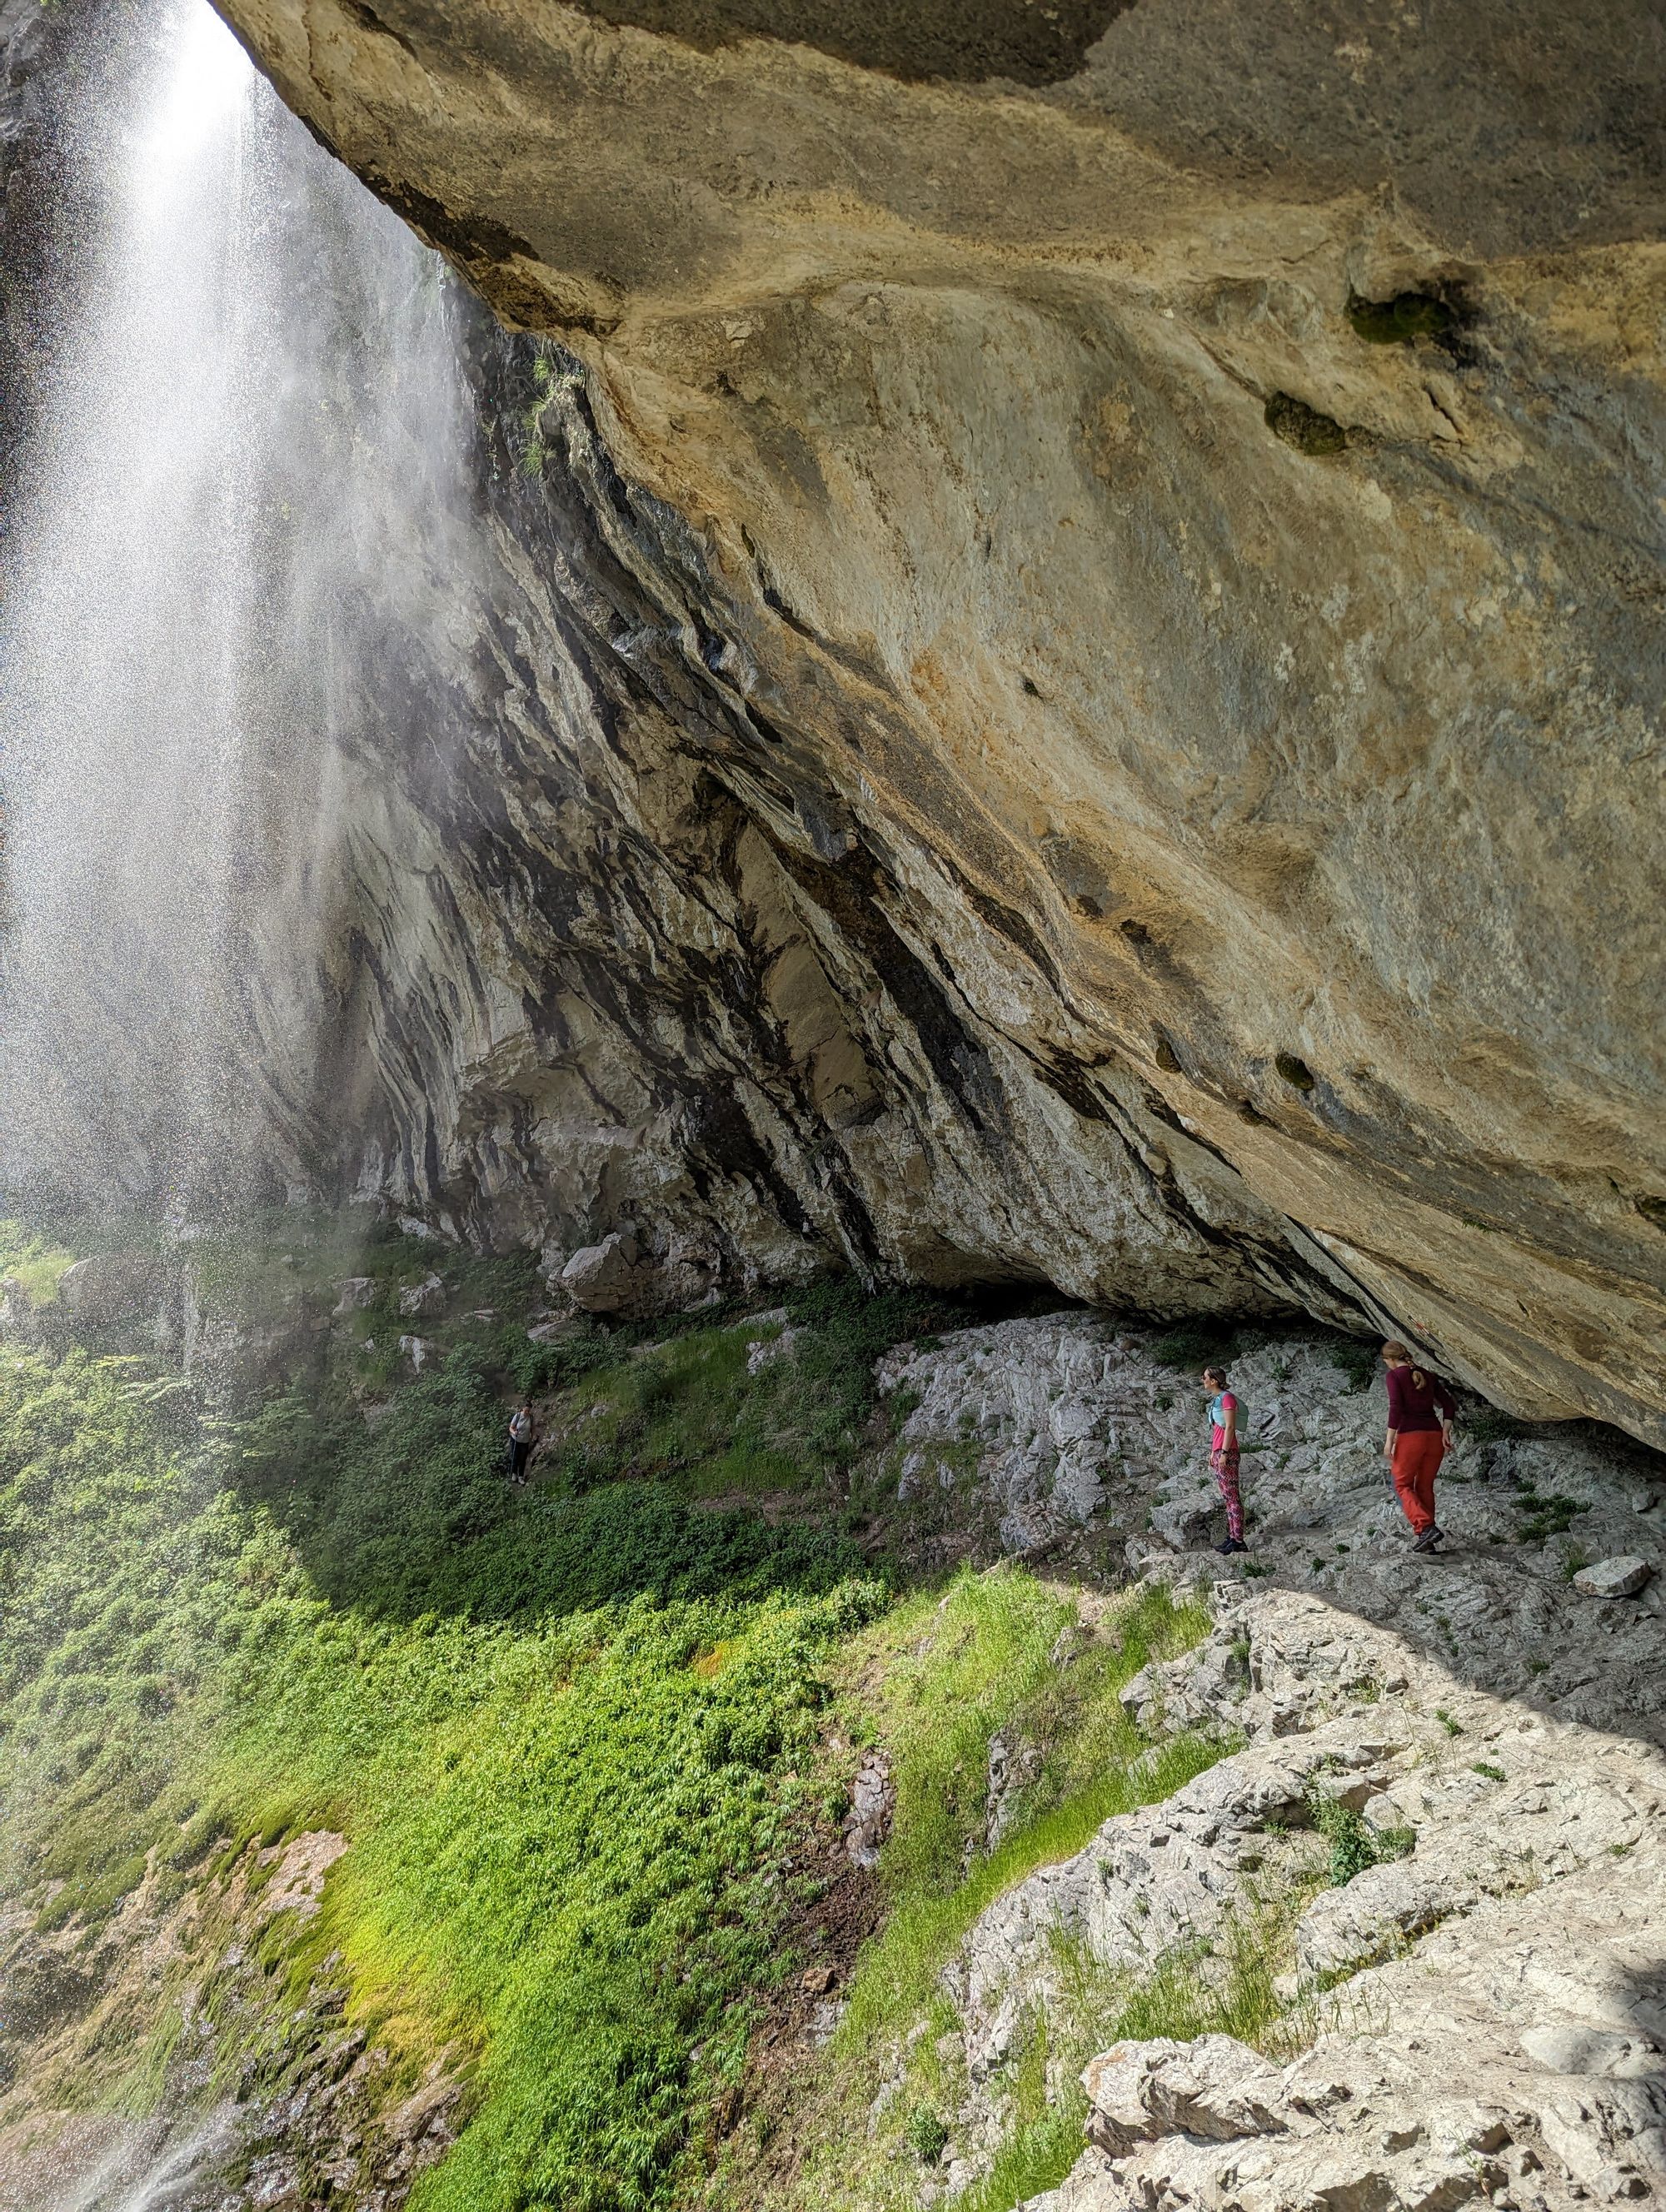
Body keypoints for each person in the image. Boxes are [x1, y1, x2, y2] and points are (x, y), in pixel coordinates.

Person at [1381, 1342, 1458, 1552]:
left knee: (1401, 1484)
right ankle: (1427, 1543)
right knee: (1424, 1486)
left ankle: (1425, 1527)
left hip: (1410, 1437)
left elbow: (1396, 1406)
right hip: (1434, 1437)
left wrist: (1389, 1440)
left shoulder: (1394, 1376)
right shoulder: (1426, 1374)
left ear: (1389, 1359)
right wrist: (1445, 1431)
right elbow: (1449, 1404)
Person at [1203, 1364, 1246, 1554]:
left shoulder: (1227, 1398)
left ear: (1213, 1381)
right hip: (1220, 1452)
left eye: (1205, 1377)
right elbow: (1218, 1430)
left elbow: (1230, 1427)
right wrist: (1214, 1452)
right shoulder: (1218, 1400)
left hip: (1227, 1453)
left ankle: (1238, 1540)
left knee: (1233, 1497)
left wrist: (1225, 1453)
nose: (1203, 1381)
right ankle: (1233, 1536)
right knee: (1228, 1498)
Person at [506, 1401, 537, 1485]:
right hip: (516, 1440)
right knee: (515, 1457)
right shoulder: (518, 1416)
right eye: (526, 1410)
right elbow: (511, 1428)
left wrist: (533, 1436)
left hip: (525, 1441)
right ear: (523, 1409)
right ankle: (514, 1474)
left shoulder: (531, 1417)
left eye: (528, 1411)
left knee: (523, 1459)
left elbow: (533, 1428)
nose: (527, 1412)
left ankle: (521, 1476)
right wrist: (514, 1432)